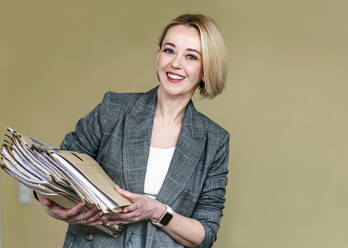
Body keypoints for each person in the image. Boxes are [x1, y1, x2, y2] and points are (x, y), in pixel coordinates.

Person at [36, 14, 229, 248]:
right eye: (169, 50)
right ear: (158, 55)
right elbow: (55, 167)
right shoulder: (113, 109)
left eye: (191, 56)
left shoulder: (214, 140)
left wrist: (158, 212)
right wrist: (49, 202)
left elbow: (205, 233)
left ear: (206, 69)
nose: (176, 63)